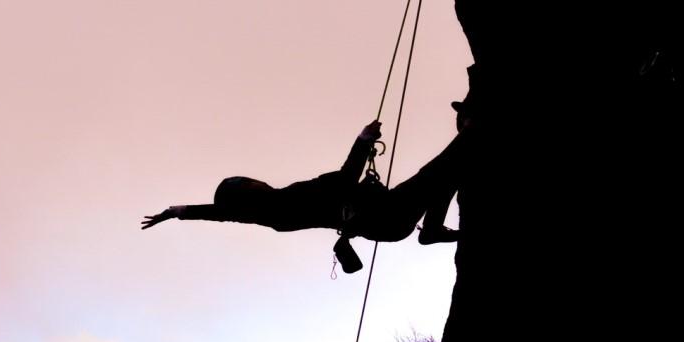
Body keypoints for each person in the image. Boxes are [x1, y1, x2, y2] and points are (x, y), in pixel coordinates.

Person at [143, 120, 461, 245]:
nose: (255, 180)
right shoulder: (283, 205)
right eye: (247, 182)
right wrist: (363, 140)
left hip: (383, 223)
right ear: (249, 192)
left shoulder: (275, 212)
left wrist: (177, 211)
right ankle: (432, 228)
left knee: (445, 176)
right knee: (446, 166)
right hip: (385, 215)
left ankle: (432, 229)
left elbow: (223, 212)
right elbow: (348, 175)